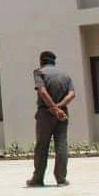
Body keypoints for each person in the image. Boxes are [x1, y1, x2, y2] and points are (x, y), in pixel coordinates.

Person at [29, 51, 76, 188]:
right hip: (63, 113)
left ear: (41, 61)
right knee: (61, 143)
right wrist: (59, 108)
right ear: (54, 61)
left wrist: (54, 109)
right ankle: (61, 179)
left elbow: (42, 92)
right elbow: (72, 94)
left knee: (42, 146)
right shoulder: (65, 75)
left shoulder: (39, 73)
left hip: (46, 113)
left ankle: (38, 179)